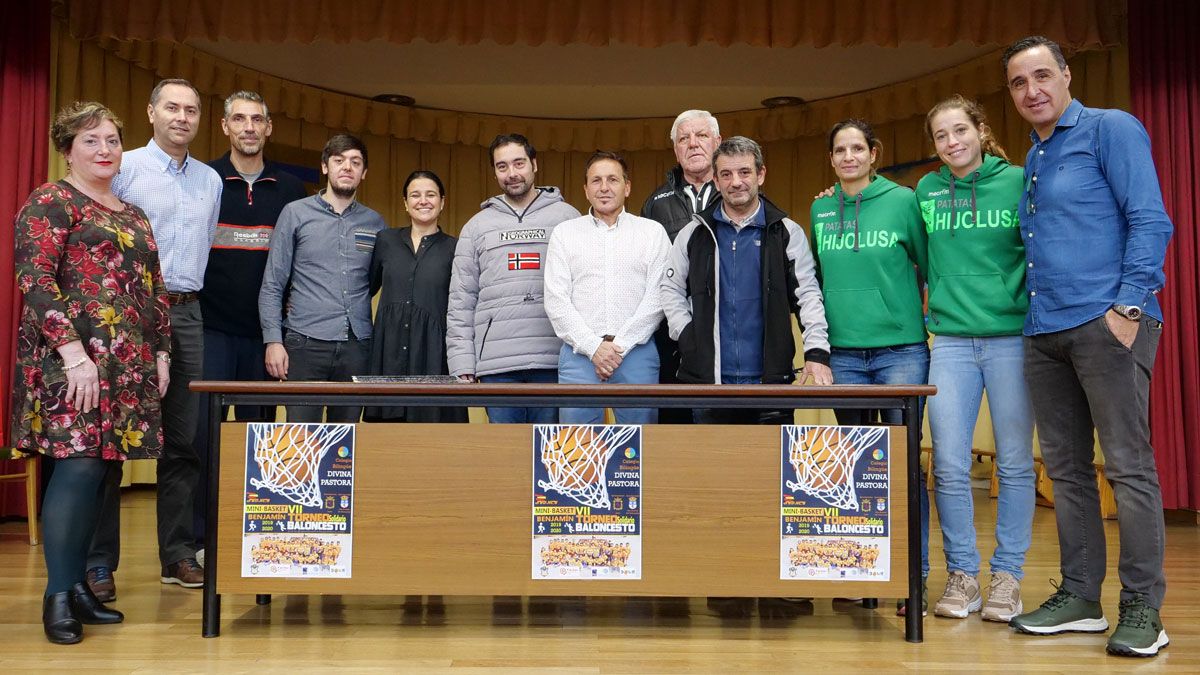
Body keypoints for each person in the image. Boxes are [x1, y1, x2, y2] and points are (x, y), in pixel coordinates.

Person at [1002, 36, 1174, 658]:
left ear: (1067, 77)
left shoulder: (1110, 129)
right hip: (1044, 330)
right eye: (1019, 84)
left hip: (1109, 323)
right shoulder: (1037, 156)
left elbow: (1150, 219)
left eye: (1042, 76)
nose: (1032, 91)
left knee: (1128, 468)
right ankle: (1080, 596)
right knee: (1067, 472)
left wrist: (1128, 307)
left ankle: (1143, 608)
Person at [12, 102, 170, 643]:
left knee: (105, 473)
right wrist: (74, 353)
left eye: (111, 141)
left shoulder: (132, 213)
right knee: (77, 468)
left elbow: (153, 290)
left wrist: (161, 353)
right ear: (67, 149)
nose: (104, 150)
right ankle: (57, 596)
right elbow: (34, 280)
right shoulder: (51, 202)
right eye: (91, 141)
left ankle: (79, 586)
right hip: (69, 365)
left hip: (127, 363)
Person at [661, 136, 831, 619]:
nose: (736, 182)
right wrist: (688, 334)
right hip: (708, 385)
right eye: (726, 174)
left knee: (778, 489)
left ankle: (780, 584)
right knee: (719, 492)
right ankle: (727, 581)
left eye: (744, 173)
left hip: (770, 383)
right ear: (715, 179)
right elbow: (669, 290)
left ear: (761, 175)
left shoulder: (785, 231)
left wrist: (816, 351)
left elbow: (810, 296)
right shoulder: (694, 233)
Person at [87, 78, 222, 597]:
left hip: (186, 312)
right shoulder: (125, 168)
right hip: (123, 315)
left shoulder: (210, 180)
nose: (182, 117)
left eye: (191, 109)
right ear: (150, 113)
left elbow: (203, 247)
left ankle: (178, 554)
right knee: (112, 439)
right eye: (172, 107)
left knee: (184, 440)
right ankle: (100, 563)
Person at [916, 96, 1036, 623]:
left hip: (1011, 338)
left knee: (1013, 463)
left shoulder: (1016, 181)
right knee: (946, 463)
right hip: (951, 343)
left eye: (959, 130)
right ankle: (962, 576)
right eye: (941, 136)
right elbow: (915, 253)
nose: (951, 143)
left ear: (980, 130)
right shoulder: (925, 190)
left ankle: (1007, 577)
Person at [809, 118, 931, 615]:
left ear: (873, 153)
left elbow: (927, 263)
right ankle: (861, 571)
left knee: (902, 466)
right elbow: (815, 279)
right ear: (832, 158)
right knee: (854, 471)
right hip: (844, 355)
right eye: (840, 149)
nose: (849, 157)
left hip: (901, 350)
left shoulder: (903, 201)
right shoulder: (819, 208)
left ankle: (912, 577)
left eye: (858, 148)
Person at [193, 90, 307, 558]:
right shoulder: (205, 181)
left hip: (265, 337)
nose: (248, 127)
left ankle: (255, 537)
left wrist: (277, 333)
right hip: (209, 328)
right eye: (239, 119)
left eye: (257, 119)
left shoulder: (290, 190)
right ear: (224, 126)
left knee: (259, 440)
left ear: (268, 127)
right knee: (204, 439)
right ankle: (201, 542)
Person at [446, 133, 580, 422]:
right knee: (503, 459)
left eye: (518, 163)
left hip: (555, 361)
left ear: (534, 164)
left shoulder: (568, 218)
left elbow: (585, 290)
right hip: (497, 366)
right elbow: (461, 301)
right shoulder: (476, 227)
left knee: (551, 456)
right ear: (494, 172)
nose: (512, 173)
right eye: (502, 166)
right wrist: (461, 362)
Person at [259, 133, 387, 424]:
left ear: (364, 173)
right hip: (304, 344)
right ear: (325, 167)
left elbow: (374, 281)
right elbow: (273, 284)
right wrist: (273, 341)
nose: (347, 167)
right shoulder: (295, 213)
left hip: (357, 345)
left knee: (346, 447)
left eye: (355, 162)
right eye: (339, 160)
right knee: (302, 443)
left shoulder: (376, 223)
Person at [545, 151, 671, 423]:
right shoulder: (565, 233)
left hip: (636, 352)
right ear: (586, 189)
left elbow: (658, 297)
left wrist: (618, 347)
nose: (604, 187)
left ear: (627, 187)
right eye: (596, 180)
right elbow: (556, 300)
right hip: (579, 355)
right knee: (577, 451)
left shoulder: (652, 232)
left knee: (639, 450)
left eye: (612, 179)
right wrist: (594, 348)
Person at [363, 170, 466, 422]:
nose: (423, 201)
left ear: (442, 202)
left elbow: (464, 304)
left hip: (434, 352)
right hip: (389, 351)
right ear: (405, 203)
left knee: (434, 432)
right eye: (415, 195)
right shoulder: (385, 240)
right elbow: (363, 288)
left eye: (431, 195)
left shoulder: (456, 248)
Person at [641, 110, 722, 424]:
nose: (693, 144)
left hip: (726, 331)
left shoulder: (739, 192)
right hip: (671, 338)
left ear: (717, 141)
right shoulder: (655, 203)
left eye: (701, 136)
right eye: (684, 139)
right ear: (675, 149)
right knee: (676, 431)